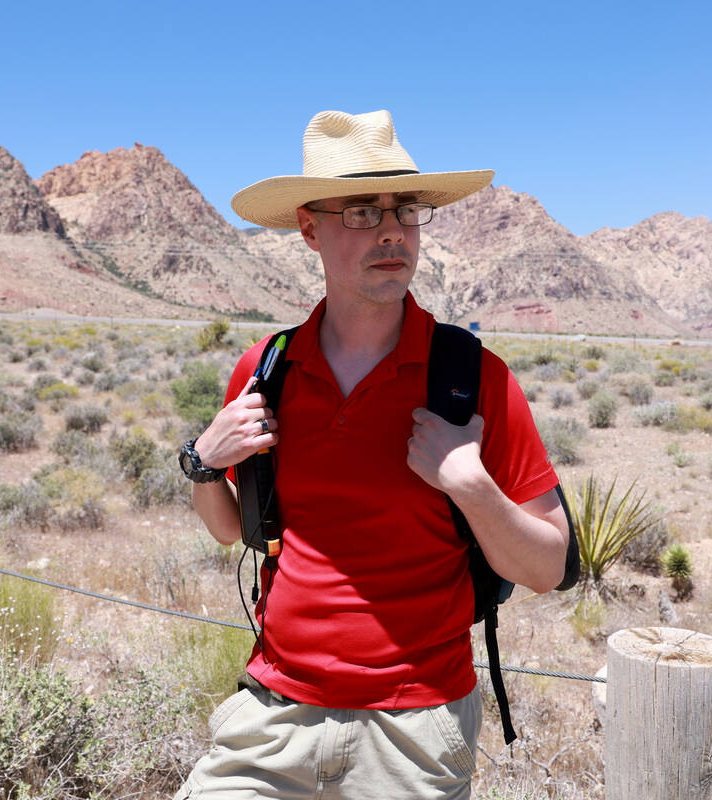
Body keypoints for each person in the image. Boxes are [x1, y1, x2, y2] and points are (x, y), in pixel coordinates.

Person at [174, 109, 570, 800]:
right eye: (361, 211)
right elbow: (234, 527)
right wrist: (203, 462)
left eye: (404, 209)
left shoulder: (475, 381)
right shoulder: (266, 369)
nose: (391, 230)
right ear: (309, 228)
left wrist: (469, 484)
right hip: (273, 713)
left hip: (415, 732)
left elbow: (549, 567)